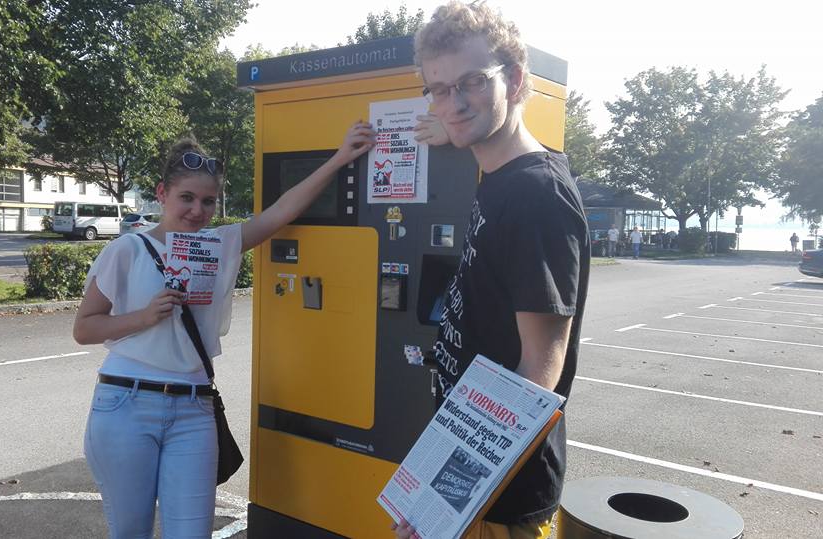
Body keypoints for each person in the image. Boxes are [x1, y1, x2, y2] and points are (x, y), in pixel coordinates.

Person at [72, 123, 373, 538]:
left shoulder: (219, 244)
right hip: (126, 404)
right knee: (130, 532)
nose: (197, 210)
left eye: (208, 201)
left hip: (193, 409)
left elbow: (282, 212)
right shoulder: (129, 249)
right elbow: (84, 328)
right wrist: (144, 316)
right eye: (187, 197)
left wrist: (340, 159)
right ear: (162, 194)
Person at [398, 3, 590, 538]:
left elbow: (540, 367)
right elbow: (471, 121)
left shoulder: (537, 196)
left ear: (516, 79)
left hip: (497, 497)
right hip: (473, 467)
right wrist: (453, 127)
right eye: (439, 89)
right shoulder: (502, 175)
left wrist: (449, 493)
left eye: (472, 82)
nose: (454, 103)